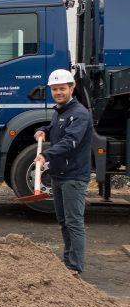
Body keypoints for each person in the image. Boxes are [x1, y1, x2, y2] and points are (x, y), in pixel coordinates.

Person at [34, 69, 92, 275]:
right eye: (55, 89)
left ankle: (75, 266)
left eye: (62, 88)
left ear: (71, 88)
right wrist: (44, 129)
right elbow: (56, 128)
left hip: (73, 176)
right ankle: (68, 262)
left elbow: (71, 140)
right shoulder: (61, 111)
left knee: (74, 222)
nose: (58, 92)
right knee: (63, 221)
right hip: (59, 175)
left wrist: (46, 155)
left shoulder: (79, 114)